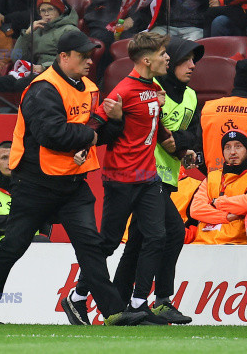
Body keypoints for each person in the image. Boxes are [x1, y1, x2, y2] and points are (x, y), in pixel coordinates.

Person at [0, 30, 148, 326]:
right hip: (35, 184)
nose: (90, 61)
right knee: (13, 245)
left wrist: (116, 121)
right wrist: (91, 133)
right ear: (63, 57)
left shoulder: (89, 87)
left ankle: (114, 311)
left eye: (91, 55)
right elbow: (51, 135)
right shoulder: (42, 88)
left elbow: (99, 133)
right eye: (83, 56)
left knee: (90, 244)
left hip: (73, 184)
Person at [62, 32, 172, 326]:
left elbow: (153, 121)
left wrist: (173, 143)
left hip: (148, 177)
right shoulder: (122, 91)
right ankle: (76, 297)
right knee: (109, 242)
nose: (167, 58)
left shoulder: (153, 87)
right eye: (163, 53)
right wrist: (82, 149)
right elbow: (95, 122)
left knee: (157, 237)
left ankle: (139, 303)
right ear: (147, 60)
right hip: (121, 178)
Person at [112, 37, 204, 325]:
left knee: (139, 240)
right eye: (185, 59)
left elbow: (196, 135)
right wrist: (177, 143)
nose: (192, 65)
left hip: (166, 175)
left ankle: (119, 303)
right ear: (170, 60)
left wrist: (184, 146)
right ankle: (157, 300)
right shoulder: (152, 89)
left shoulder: (191, 97)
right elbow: (150, 132)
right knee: (171, 232)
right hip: (143, 173)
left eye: (194, 60)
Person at [190, 130, 247, 244]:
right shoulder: (211, 177)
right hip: (202, 243)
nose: (232, 152)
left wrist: (216, 202)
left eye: (238, 146)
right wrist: (227, 216)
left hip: (237, 244)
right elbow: (196, 210)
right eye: (227, 147)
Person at [0, 0, 78, 93]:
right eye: (43, 10)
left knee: (22, 84)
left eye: (50, 9)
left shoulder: (69, 30)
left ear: (59, 11)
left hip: (55, 72)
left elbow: (69, 59)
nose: (47, 14)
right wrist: (27, 34)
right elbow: (16, 57)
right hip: (34, 70)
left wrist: (43, 67)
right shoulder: (37, 29)